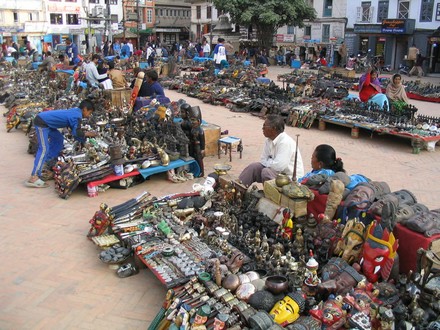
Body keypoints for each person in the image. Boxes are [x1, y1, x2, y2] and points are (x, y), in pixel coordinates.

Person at [26, 99, 98, 188]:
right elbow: (77, 132)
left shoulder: (75, 111)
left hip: (48, 124)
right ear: (85, 109)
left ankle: (47, 164)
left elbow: (74, 132)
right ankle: (34, 177)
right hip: (42, 122)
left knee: (58, 139)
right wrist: (88, 134)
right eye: (89, 112)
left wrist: (83, 142)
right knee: (44, 148)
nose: (89, 115)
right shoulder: (77, 116)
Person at [239, 114, 304, 186]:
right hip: (276, 172)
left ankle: (269, 196)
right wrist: (272, 163)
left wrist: (269, 162)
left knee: (266, 171)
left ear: (273, 128)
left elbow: (278, 166)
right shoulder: (268, 140)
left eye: (264, 126)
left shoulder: (285, 142)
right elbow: (263, 160)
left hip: (290, 179)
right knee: (253, 167)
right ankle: (237, 189)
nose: (262, 128)